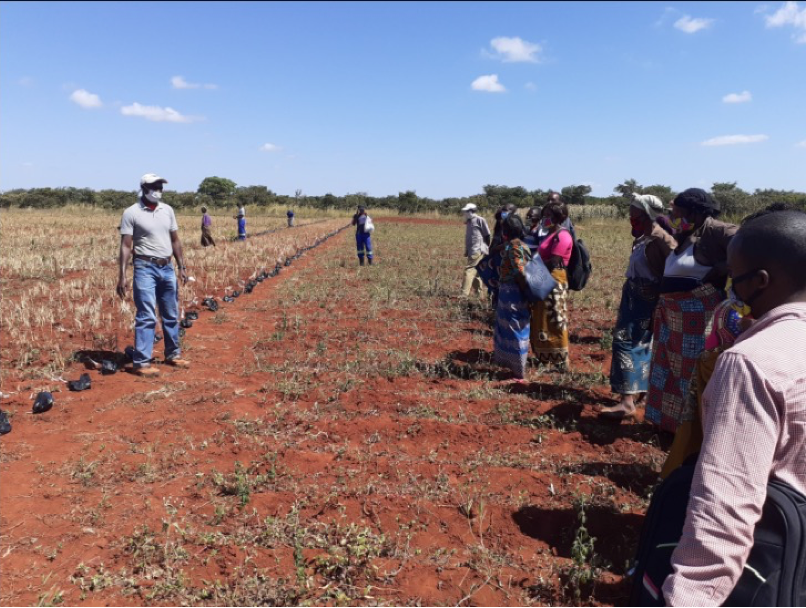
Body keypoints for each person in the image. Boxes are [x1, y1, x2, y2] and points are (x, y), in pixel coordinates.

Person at [662, 210, 806, 606]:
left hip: (776, 565)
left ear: (760, 282)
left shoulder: (751, 362)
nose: (730, 286)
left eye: (735, 276)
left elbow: (725, 509)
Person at [644, 188, 738, 433]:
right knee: (668, 372)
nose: (673, 217)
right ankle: (672, 426)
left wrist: (721, 267)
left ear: (694, 211)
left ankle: (694, 431)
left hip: (698, 318)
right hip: (672, 317)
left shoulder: (717, 230)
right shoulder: (686, 234)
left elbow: (752, 248)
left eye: (678, 212)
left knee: (692, 374)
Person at [600, 194, 677, 420]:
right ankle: (639, 393)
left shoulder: (661, 239)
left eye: (634, 212)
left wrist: (659, 304)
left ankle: (627, 402)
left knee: (625, 344)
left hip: (646, 300)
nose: (631, 216)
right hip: (633, 298)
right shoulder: (642, 238)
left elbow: (671, 271)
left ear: (645, 214)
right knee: (640, 345)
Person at [116, 173, 190, 377]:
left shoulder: (168, 211)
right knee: (147, 315)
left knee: (171, 313)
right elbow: (125, 245)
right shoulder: (131, 213)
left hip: (167, 267)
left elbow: (175, 240)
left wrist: (182, 266)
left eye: (160, 186)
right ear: (143, 188)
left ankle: (173, 354)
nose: (158, 189)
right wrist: (122, 275)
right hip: (144, 267)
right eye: (154, 186)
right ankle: (141, 362)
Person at [530, 201, 573, 370]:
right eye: (544, 215)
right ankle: (545, 357)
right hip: (544, 277)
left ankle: (561, 361)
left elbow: (554, 260)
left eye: (548, 216)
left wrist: (533, 267)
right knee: (542, 319)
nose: (544, 219)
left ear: (557, 217)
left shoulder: (562, 236)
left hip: (554, 280)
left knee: (556, 319)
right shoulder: (550, 233)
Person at [493, 214, 532, 380]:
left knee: (515, 328)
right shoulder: (516, 244)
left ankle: (519, 372)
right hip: (510, 293)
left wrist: (526, 293)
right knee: (510, 328)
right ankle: (512, 365)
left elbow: (519, 272)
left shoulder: (515, 247)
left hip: (513, 294)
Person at [461, 203, 491, 298]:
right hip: (471, 250)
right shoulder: (469, 222)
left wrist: (486, 247)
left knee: (469, 270)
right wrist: (467, 250)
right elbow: (469, 237)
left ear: (471, 211)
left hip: (478, 249)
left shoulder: (480, 220)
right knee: (477, 273)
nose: (464, 213)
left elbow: (487, 235)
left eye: (466, 211)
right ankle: (479, 294)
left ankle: (464, 294)